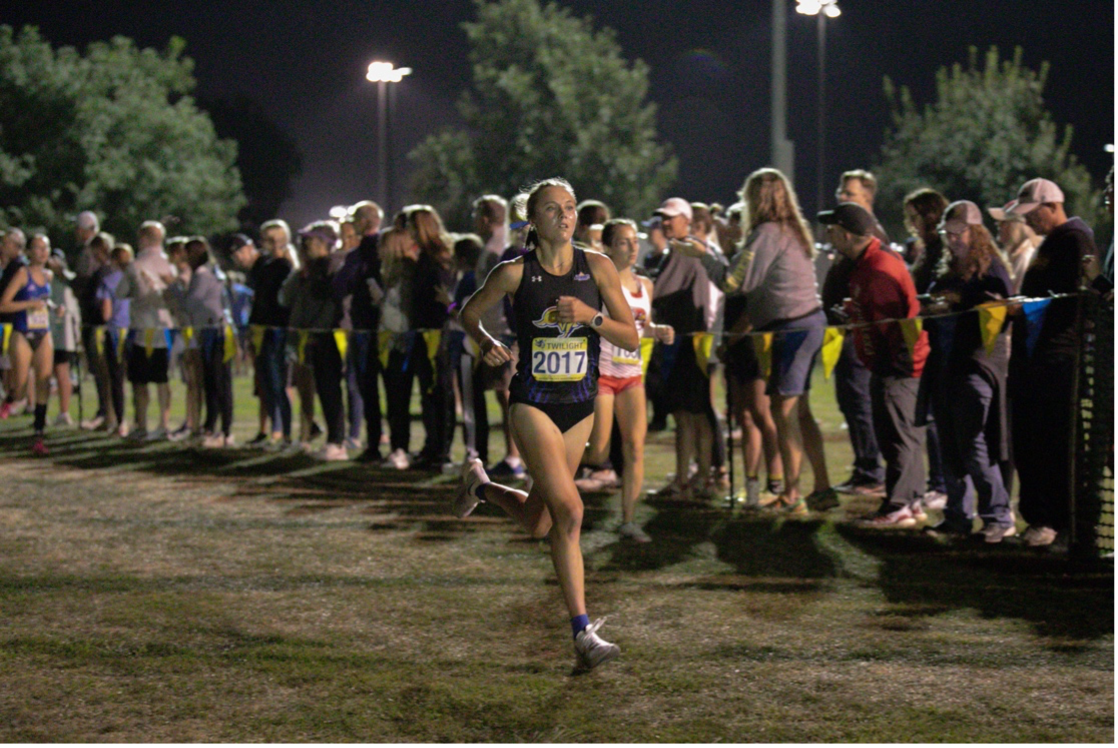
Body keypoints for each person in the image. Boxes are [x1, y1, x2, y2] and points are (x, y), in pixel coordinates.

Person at [454, 177, 638, 669]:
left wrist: (589, 317)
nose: (565, 215)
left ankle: (481, 489)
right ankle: (582, 634)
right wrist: (486, 341)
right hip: (532, 402)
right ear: (532, 220)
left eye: (571, 206)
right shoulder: (516, 273)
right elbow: (468, 313)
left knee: (541, 522)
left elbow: (632, 338)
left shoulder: (596, 267)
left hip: (579, 405)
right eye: (553, 209)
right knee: (571, 513)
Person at [676, 169, 832, 512]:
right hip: (806, 323)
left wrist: (703, 255)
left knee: (784, 411)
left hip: (789, 328)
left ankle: (792, 494)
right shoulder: (792, 229)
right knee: (800, 412)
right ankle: (821, 487)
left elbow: (734, 284)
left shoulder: (766, 233)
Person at [820, 203, 930, 528]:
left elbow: (890, 328)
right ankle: (912, 502)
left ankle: (899, 504)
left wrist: (887, 368)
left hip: (898, 365)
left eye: (832, 229)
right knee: (903, 435)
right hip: (896, 362)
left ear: (846, 233)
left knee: (897, 436)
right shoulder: (868, 261)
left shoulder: (877, 268)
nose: (829, 235)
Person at [1007, 178, 1098, 547]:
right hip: (1035, 359)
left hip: (1058, 361)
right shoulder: (1051, 243)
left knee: (1056, 445)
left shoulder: (1075, 240)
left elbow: (1076, 303)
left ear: (1052, 206)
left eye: (1032, 214)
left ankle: (1061, 523)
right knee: (1029, 442)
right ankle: (1040, 519)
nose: (1028, 222)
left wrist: (1026, 307)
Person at [922, 201, 1015, 542]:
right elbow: (934, 296)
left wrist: (958, 301)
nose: (952, 240)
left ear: (976, 233)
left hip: (977, 366)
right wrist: (931, 304)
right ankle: (957, 516)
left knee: (976, 445)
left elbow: (1002, 308)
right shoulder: (947, 271)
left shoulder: (991, 270)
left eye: (959, 233)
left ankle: (998, 516)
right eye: (947, 234)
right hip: (945, 366)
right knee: (949, 447)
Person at [580, 218, 674, 542]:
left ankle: (629, 522)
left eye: (635, 241)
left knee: (635, 448)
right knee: (598, 453)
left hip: (633, 374)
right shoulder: (597, 283)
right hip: (603, 373)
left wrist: (656, 331)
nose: (633, 247)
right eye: (623, 242)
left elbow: (637, 326)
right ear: (607, 247)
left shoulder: (645, 285)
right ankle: (554, 460)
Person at [821, 170, 890, 500]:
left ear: (868, 199)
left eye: (849, 193)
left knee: (861, 403)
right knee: (850, 402)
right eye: (840, 191)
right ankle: (865, 467)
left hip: (859, 334)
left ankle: (872, 472)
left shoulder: (871, 235)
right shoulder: (845, 231)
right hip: (844, 332)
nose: (842, 197)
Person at [649, 197, 717, 500]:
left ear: (687, 220)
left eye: (671, 218)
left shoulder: (682, 249)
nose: (665, 222)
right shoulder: (690, 248)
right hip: (698, 340)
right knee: (697, 413)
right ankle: (700, 477)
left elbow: (659, 291)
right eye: (663, 218)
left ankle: (686, 481)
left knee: (686, 415)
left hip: (686, 342)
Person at [282, 221, 346, 460]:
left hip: (326, 336)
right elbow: (285, 298)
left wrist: (316, 330)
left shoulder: (333, 268)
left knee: (331, 388)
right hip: (310, 336)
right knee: (321, 387)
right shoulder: (307, 271)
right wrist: (299, 273)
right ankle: (330, 438)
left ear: (325, 244)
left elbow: (330, 305)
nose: (306, 245)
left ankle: (337, 440)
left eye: (311, 240)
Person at [332, 201, 385, 461]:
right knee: (375, 387)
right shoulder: (380, 249)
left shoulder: (368, 251)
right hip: (376, 327)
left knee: (370, 386)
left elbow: (341, 285)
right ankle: (382, 444)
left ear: (365, 221)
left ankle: (376, 444)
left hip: (370, 327)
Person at [114, 220, 175, 440]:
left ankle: (141, 426)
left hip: (141, 330)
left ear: (144, 239)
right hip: (164, 329)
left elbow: (120, 293)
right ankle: (164, 424)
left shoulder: (135, 265)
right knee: (163, 381)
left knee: (139, 381)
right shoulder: (170, 264)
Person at [232, 233, 294, 449]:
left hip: (275, 331)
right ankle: (275, 431)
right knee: (267, 385)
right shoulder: (265, 268)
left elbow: (280, 301)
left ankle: (285, 434)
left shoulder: (283, 267)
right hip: (261, 330)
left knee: (278, 384)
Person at [0, 232, 55, 454]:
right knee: (21, 389)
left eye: (46, 248)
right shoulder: (22, 274)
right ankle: (9, 399)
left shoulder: (49, 275)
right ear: (30, 251)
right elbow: (3, 304)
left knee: (44, 383)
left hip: (43, 333)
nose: (42, 252)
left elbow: (44, 301)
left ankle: (39, 436)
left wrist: (54, 307)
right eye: (38, 248)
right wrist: (28, 304)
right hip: (22, 333)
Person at [181, 237, 235, 447]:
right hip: (211, 331)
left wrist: (175, 288)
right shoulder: (210, 272)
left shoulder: (203, 274)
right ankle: (212, 427)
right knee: (212, 382)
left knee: (219, 383)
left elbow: (190, 303)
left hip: (217, 332)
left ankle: (224, 431)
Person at [96, 244, 133, 435]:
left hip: (116, 333)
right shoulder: (135, 279)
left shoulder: (108, 281)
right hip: (137, 332)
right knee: (136, 379)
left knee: (116, 380)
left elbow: (106, 313)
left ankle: (120, 421)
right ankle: (140, 421)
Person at [46, 249, 81, 426]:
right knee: (43, 372)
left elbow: (71, 280)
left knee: (62, 371)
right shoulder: (43, 277)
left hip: (63, 332)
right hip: (45, 329)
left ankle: (64, 412)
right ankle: (41, 410)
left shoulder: (68, 278)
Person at [987, 202, 1042, 294]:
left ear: (1015, 226)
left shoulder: (1024, 257)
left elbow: (1016, 296)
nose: (997, 224)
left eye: (1003, 222)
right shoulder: (1016, 254)